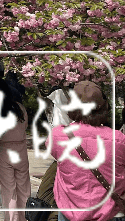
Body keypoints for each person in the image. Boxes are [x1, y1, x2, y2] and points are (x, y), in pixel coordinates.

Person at [51, 81, 125, 221]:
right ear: (103, 107)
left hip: (70, 212)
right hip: (110, 212)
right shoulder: (119, 139)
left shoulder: (58, 136)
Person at [0, 79, 29, 221]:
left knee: (8, 190)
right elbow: (25, 127)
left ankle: (11, 219)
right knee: (24, 189)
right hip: (21, 150)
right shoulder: (20, 107)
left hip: (3, 151)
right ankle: (26, 218)